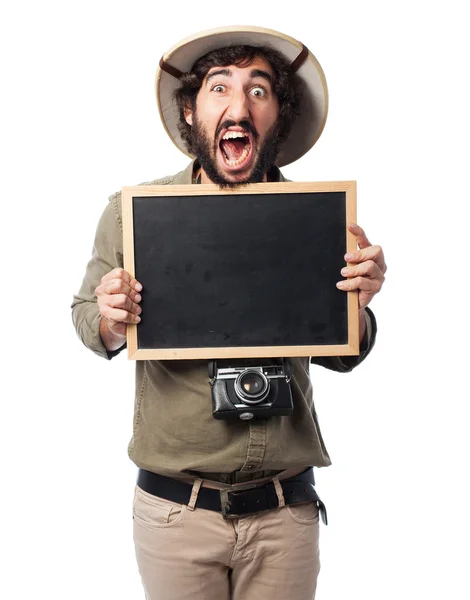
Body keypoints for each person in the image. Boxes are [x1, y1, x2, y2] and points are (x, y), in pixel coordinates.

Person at [71, 26, 386, 600]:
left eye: (259, 91)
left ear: (277, 118)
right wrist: (110, 319)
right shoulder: (132, 216)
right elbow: (87, 317)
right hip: (176, 515)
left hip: (284, 513)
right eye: (220, 88)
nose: (238, 106)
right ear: (191, 111)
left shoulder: (315, 220)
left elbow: (345, 355)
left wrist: (356, 306)